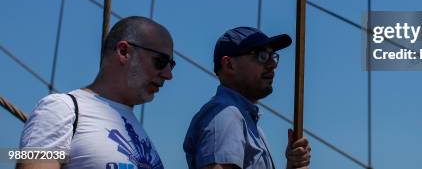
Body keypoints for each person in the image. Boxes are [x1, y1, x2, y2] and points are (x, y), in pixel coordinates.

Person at [17, 16, 175, 169]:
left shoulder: (137, 130)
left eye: (171, 65)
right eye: (160, 61)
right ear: (124, 51)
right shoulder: (59, 110)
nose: (168, 75)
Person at [183, 26, 311, 169]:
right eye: (262, 56)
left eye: (273, 56)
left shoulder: (244, 121)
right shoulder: (226, 115)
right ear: (229, 65)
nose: (273, 64)